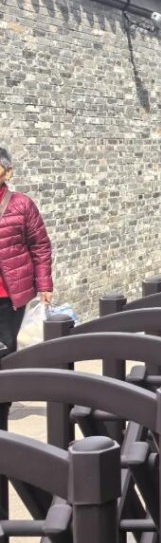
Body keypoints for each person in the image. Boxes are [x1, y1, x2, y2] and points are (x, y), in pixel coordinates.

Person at [0, 147, 54, 428]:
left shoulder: (21, 205)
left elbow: (40, 246)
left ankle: (2, 410)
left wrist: (44, 285)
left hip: (9, 298)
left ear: (7, 171)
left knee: (5, 353)